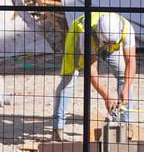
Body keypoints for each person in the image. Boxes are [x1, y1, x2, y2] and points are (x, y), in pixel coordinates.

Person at [51, 11, 137, 142]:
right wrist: (106, 97)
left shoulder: (126, 29)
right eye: (106, 43)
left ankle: (126, 123)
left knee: (123, 75)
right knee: (69, 78)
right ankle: (58, 129)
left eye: (111, 43)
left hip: (101, 42)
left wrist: (125, 89)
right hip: (80, 40)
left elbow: (131, 61)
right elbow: (91, 70)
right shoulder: (85, 33)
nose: (108, 46)